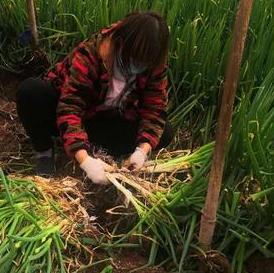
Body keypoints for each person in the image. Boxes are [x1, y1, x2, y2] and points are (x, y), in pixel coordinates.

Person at [16, 12, 173, 181]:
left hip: (101, 117)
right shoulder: (90, 54)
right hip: (66, 112)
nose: (138, 66)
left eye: (144, 63)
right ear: (121, 45)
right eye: (134, 59)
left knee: (164, 132)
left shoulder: (154, 63)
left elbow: (154, 109)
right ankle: (45, 153)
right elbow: (71, 106)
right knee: (31, 91)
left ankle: (95, 149)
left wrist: (142, 151)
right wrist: (85, 162)